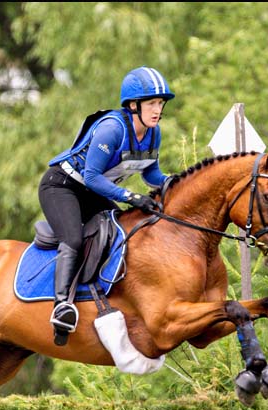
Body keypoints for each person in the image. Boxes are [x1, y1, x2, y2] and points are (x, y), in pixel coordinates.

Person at [39, 66, 175, 345]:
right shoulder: (112, 129)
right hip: (62, 186)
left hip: (91, 191)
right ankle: (62, 305)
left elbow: (151, 174)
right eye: (152, 103)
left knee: (121, 232)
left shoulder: (153, 133)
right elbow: (91, 176)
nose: (157, 110)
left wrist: (175, 182)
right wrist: (130, 196)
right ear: (133, 105)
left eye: (160, 103)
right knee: (73, 239)